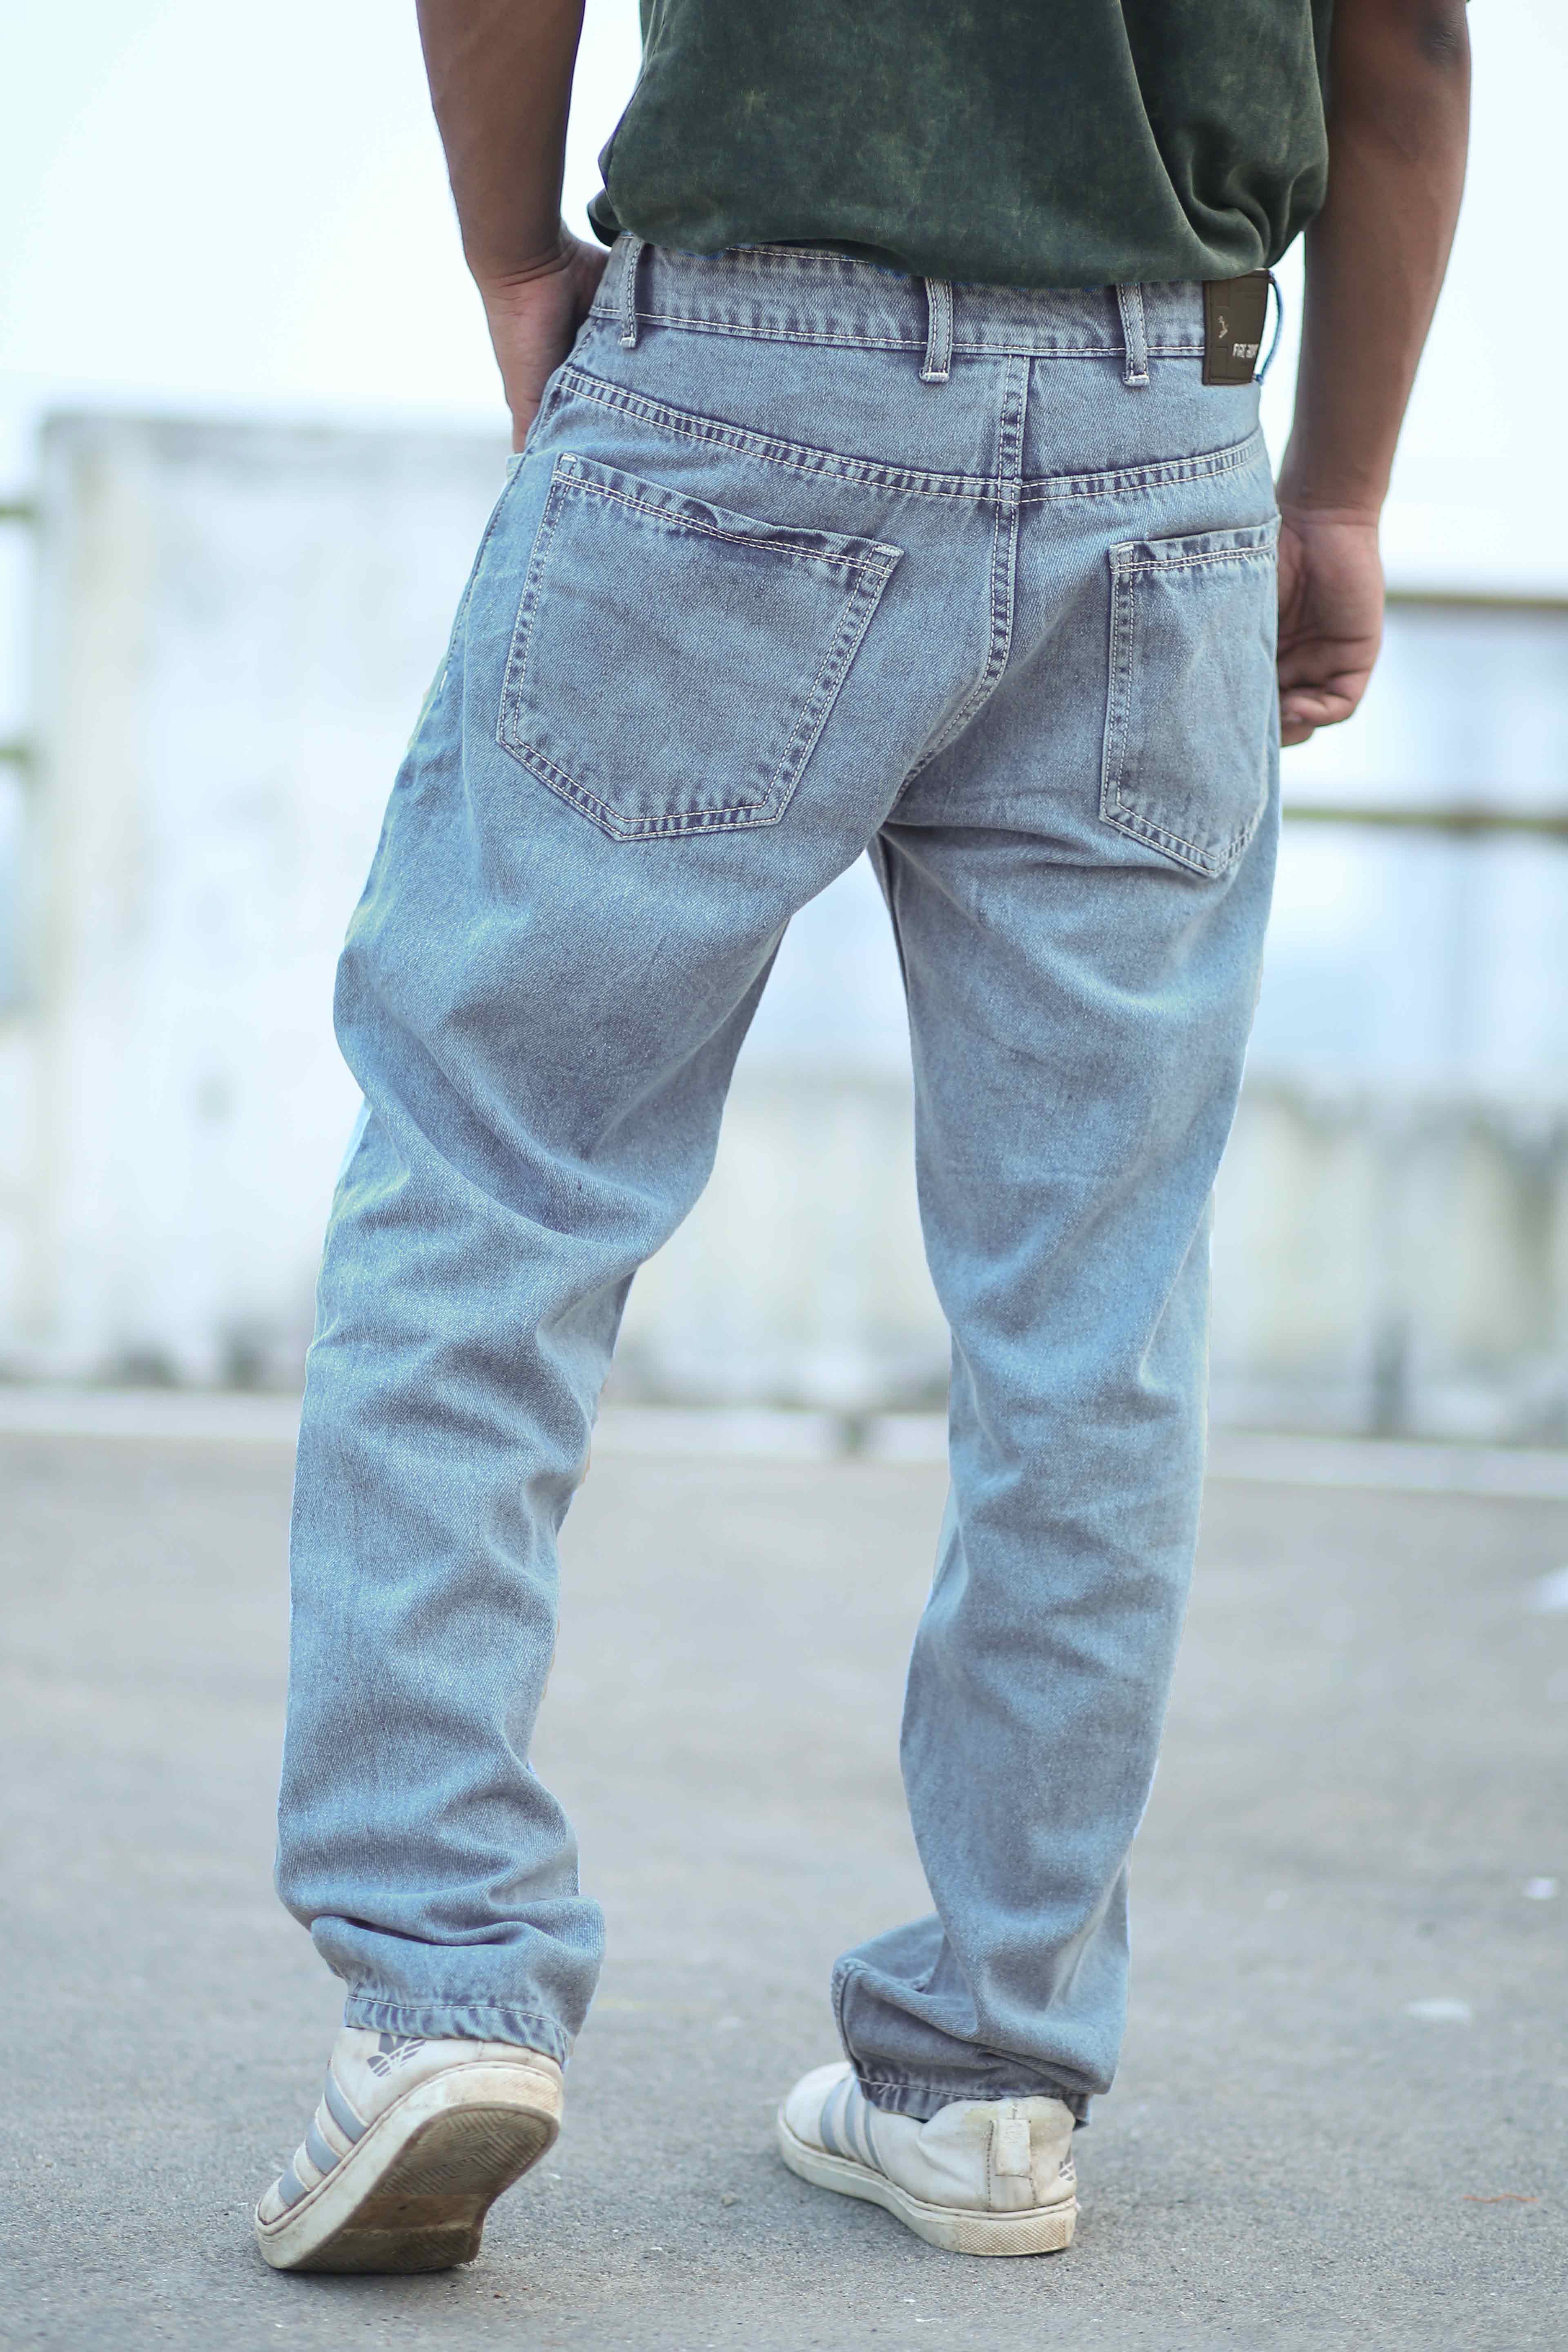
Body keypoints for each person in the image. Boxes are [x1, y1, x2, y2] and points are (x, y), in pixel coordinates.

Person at [254, 0, 1470, 2274]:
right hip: (1167, 431)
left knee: (490, 1201)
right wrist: (1338, 492)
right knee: (1091, 1319)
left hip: (737, 381)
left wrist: (514, 255)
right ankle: (993, 2074)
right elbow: (1399, 40)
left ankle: (440, 1991)